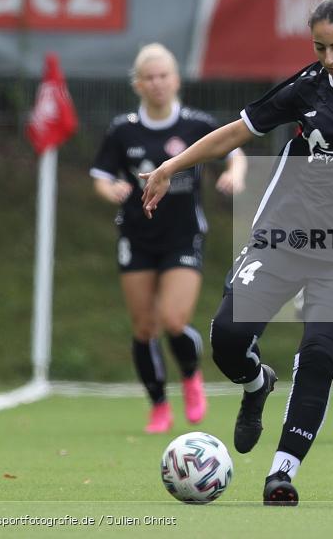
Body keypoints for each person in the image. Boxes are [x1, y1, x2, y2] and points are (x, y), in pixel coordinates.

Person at [140, 0, 333, 506]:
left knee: (318, 353)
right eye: (319, 47)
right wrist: (170, 168)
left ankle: (281, 473)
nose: (329, 58)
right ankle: (256, 383)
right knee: (227, 338)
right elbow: (235, 133)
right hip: (283, 236)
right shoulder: (306, 86)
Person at [90, 43, 246, 434]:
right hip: (137, 236)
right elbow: (101, 175)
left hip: (183, 235)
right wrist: (110, 191)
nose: (157, 84)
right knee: (144, 327)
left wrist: (235, 174)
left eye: (164, 76)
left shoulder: (195, 123)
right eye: (150, 78)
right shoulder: (123, 129)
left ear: (176, 80)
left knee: (174, 320)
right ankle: (158, 404)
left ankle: (191, 378)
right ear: (138, 84)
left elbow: (234, 151)